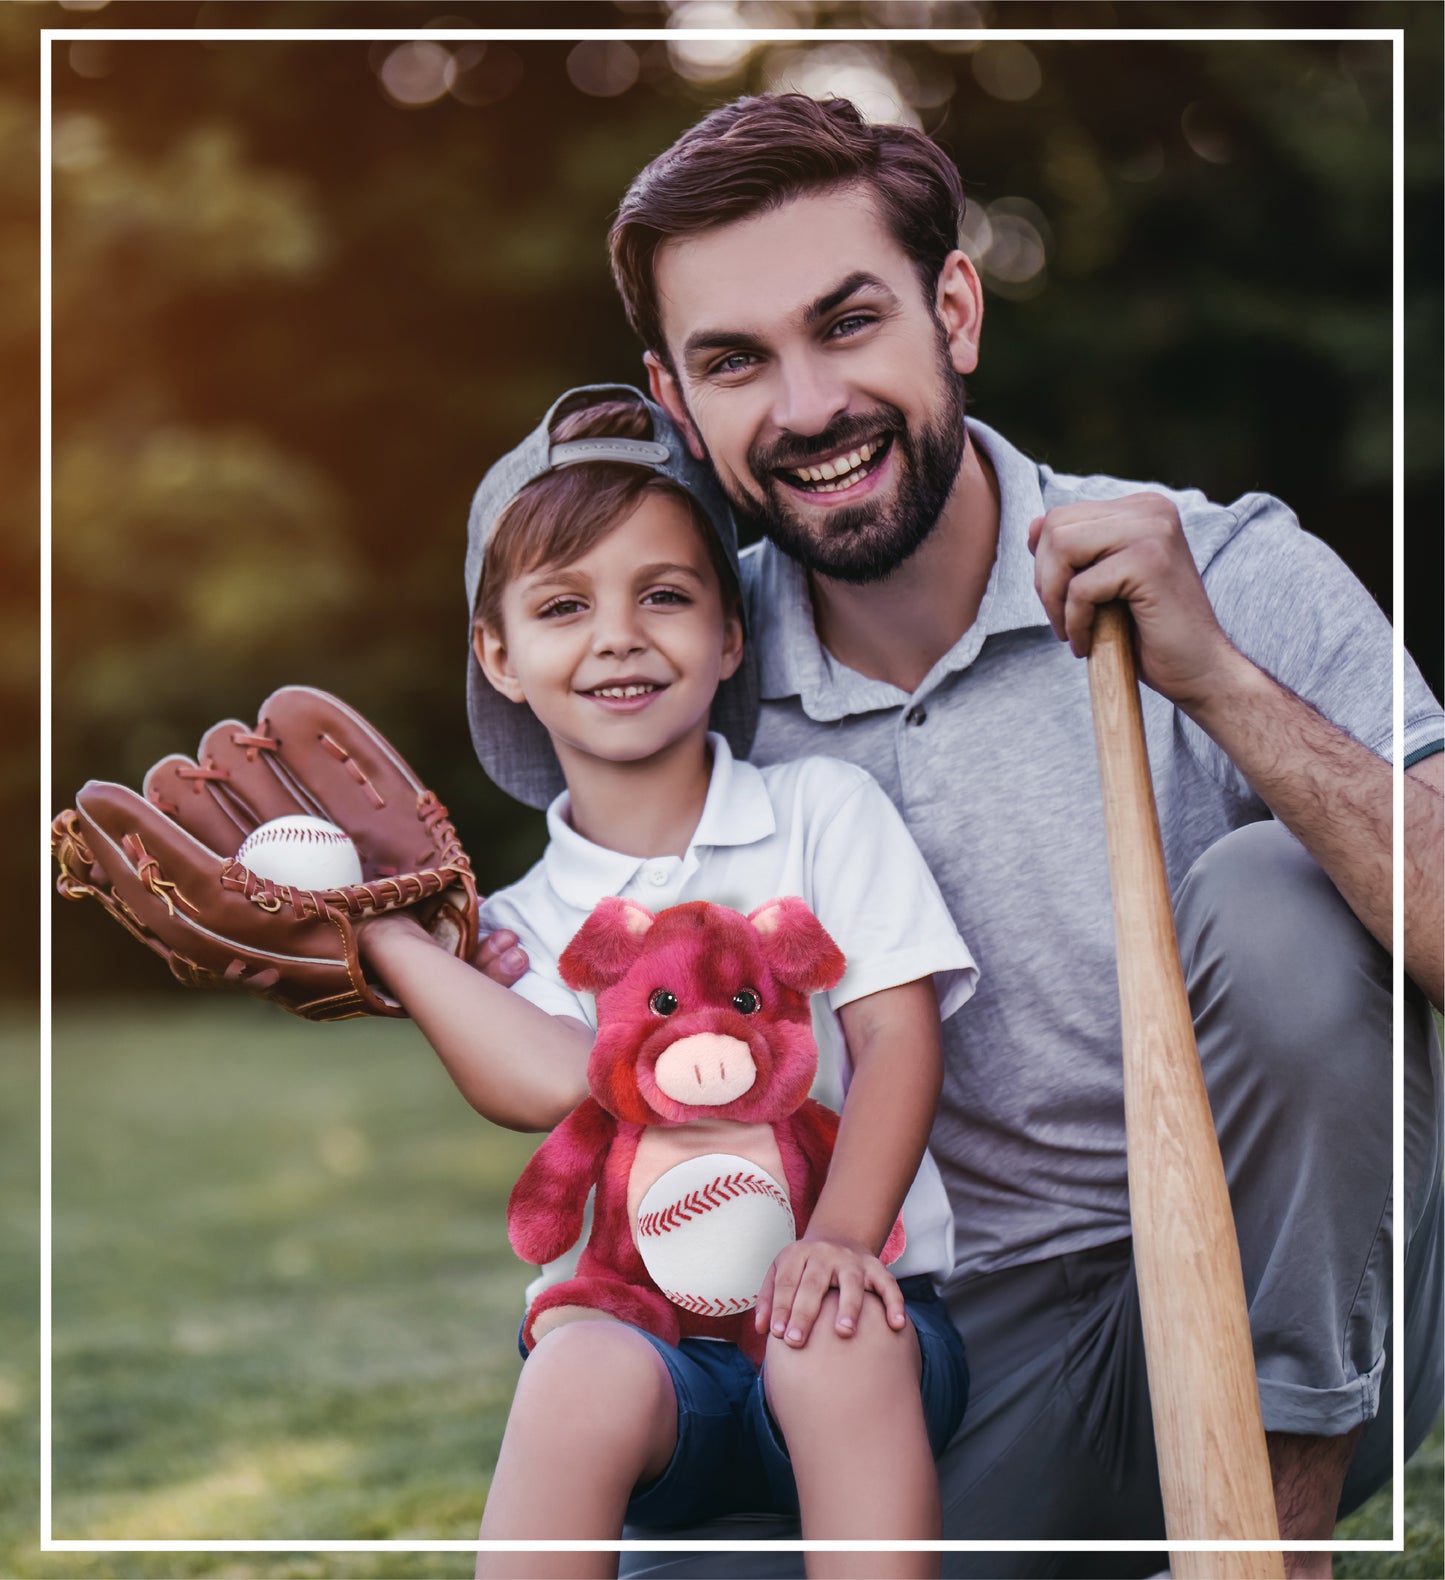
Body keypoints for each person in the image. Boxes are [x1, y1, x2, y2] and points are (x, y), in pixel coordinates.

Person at [476, 94, 1443, 1579]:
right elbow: (551, 927)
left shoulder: (1224, 565)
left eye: (847, 323)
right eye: (737, 362)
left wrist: (1219, 682)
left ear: (954, 308)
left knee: (1275, 899)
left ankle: (1264, 1555)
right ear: (676, 402)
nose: (804, 408)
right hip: (931, 1345)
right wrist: (377, 940)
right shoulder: (684, 664)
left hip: (1290, 1300)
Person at [361, 385, 976, 1579]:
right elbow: (548, 1081)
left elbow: (899, 1040)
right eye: (559, 605)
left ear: (730, 631)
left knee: (829, 1333)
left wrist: (839, 1237)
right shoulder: (521, 924)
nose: (617, 635)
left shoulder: (817, 812)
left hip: (867, 1316)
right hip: (661, 1358)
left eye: (664, 594)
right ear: (498, 653)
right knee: (573, 1365)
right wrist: (392, 939)